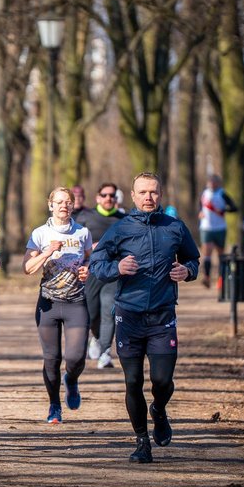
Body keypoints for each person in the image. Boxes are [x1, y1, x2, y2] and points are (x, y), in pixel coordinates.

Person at [89, 172, 200, 464]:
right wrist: (117, 268)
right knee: (133, 381)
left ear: (160, 194)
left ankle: (159, 411)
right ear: (133, 196)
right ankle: (142, 442)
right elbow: (97, 263)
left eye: (153, 192)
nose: (148, 197)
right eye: (143, 192)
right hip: (129, 316)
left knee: (162, 380)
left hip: (163, 316)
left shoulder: (175, 227)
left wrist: (187, 271)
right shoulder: (120, 228)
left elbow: (193, 259)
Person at [23, 186, 92, 425]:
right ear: (50, 205)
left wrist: (87, 269)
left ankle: (71, 380)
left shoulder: (82, 232)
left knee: (76, 358)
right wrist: (48, 252)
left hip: (76, 303)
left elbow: (89, 257)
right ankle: (54, 405)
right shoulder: (40, 234)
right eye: (59, 202)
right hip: (49, 304)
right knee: (52, 359)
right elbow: (27, 268)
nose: (64, 205)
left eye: (68, 202)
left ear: (72, 205)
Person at [79, 183, 126, 369]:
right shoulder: (86, 217)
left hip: (114, 272)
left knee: (109, 309)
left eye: (112, 195)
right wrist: (90, 249)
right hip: (91, 272)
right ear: (98, 197)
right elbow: (75, 244)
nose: (108, 198)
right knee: (91, 313)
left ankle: (105, 352)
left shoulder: (124, 220)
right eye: (104, 195)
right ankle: (96, 338)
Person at [198, 174, 237, 288]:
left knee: (220, 255)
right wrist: (200, 212)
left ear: (218, 183)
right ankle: (207, 277)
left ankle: (221, 278)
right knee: (207, 253)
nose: (212, 184)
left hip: (220, 228)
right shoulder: (204, 193)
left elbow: (234, 208)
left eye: (214, 182)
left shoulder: (222, 194)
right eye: (210, 182)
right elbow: (200, 205)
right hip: (206, 228)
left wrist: (223, 210)